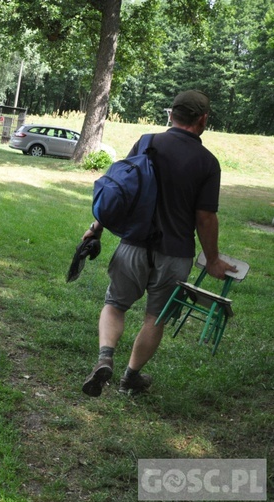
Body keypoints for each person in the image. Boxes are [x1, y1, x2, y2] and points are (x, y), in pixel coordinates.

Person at [81, 90, 236, 397]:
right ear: (203, 120)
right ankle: (130, 378)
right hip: (175, 254)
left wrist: (96, 227)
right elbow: (205, 217)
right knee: (156, 317)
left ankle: (105, 358)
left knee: (115, 305)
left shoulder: (146, 142)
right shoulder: (207, 163)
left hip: (133, 245)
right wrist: (214, 259)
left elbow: (121, 187)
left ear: (171, 114)